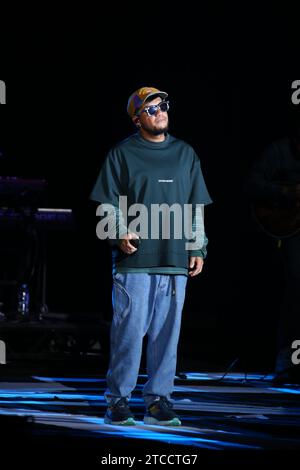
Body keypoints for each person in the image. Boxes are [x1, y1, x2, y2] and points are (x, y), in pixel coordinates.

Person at [90, 86, 212, 425]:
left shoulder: (185, 154)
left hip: (173, 260)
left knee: (167, 334)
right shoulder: (122, 154)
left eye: (163, 106)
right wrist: (118, 231)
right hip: (136, 260)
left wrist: (198, 246)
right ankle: (118, 401)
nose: (160, 111)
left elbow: (195, 206)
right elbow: (107, 202)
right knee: (129, 332)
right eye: (151, 108)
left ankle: (159, 401)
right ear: (137, 118)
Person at [243, 114, 300, 384]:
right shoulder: (280, 151)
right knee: (296, 289)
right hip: (291, 232)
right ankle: (287, 362)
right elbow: (252, 184)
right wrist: (286, 194)